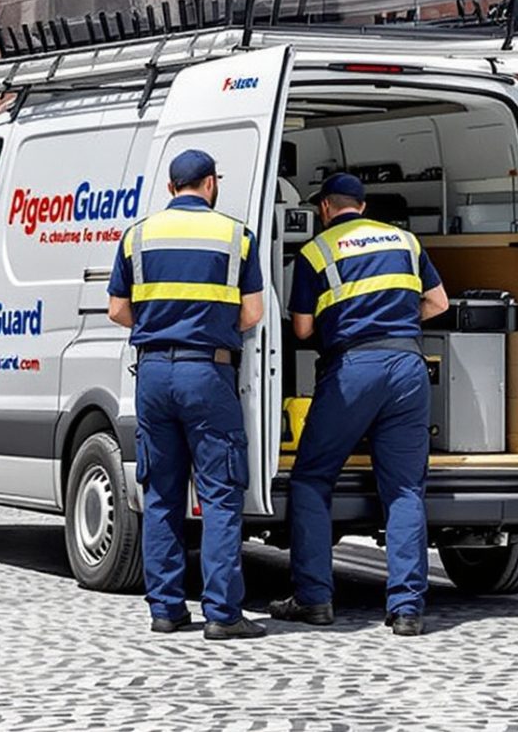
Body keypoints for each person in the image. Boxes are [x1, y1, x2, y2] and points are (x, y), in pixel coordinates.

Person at [270, 173, 448, 635]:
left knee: (311, 477)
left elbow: (304, 331)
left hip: (353, 370)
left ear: (326, 208)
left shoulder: (316, 251)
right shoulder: (405, 241)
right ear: (362, 207)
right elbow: (439, 302)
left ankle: (314, 600)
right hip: (408, 366)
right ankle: (407, 609)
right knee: (405, 489)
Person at [108, 148, 267, 641]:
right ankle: (222, 615)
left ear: (171, 187)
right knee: (220, 494)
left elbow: (117, 310)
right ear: (210, 184)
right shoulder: (236, 235)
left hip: (153, 373)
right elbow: (253, 314)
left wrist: (161, 327)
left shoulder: (138, 236)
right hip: (208, 373)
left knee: (161, 494)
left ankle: (166, 610)